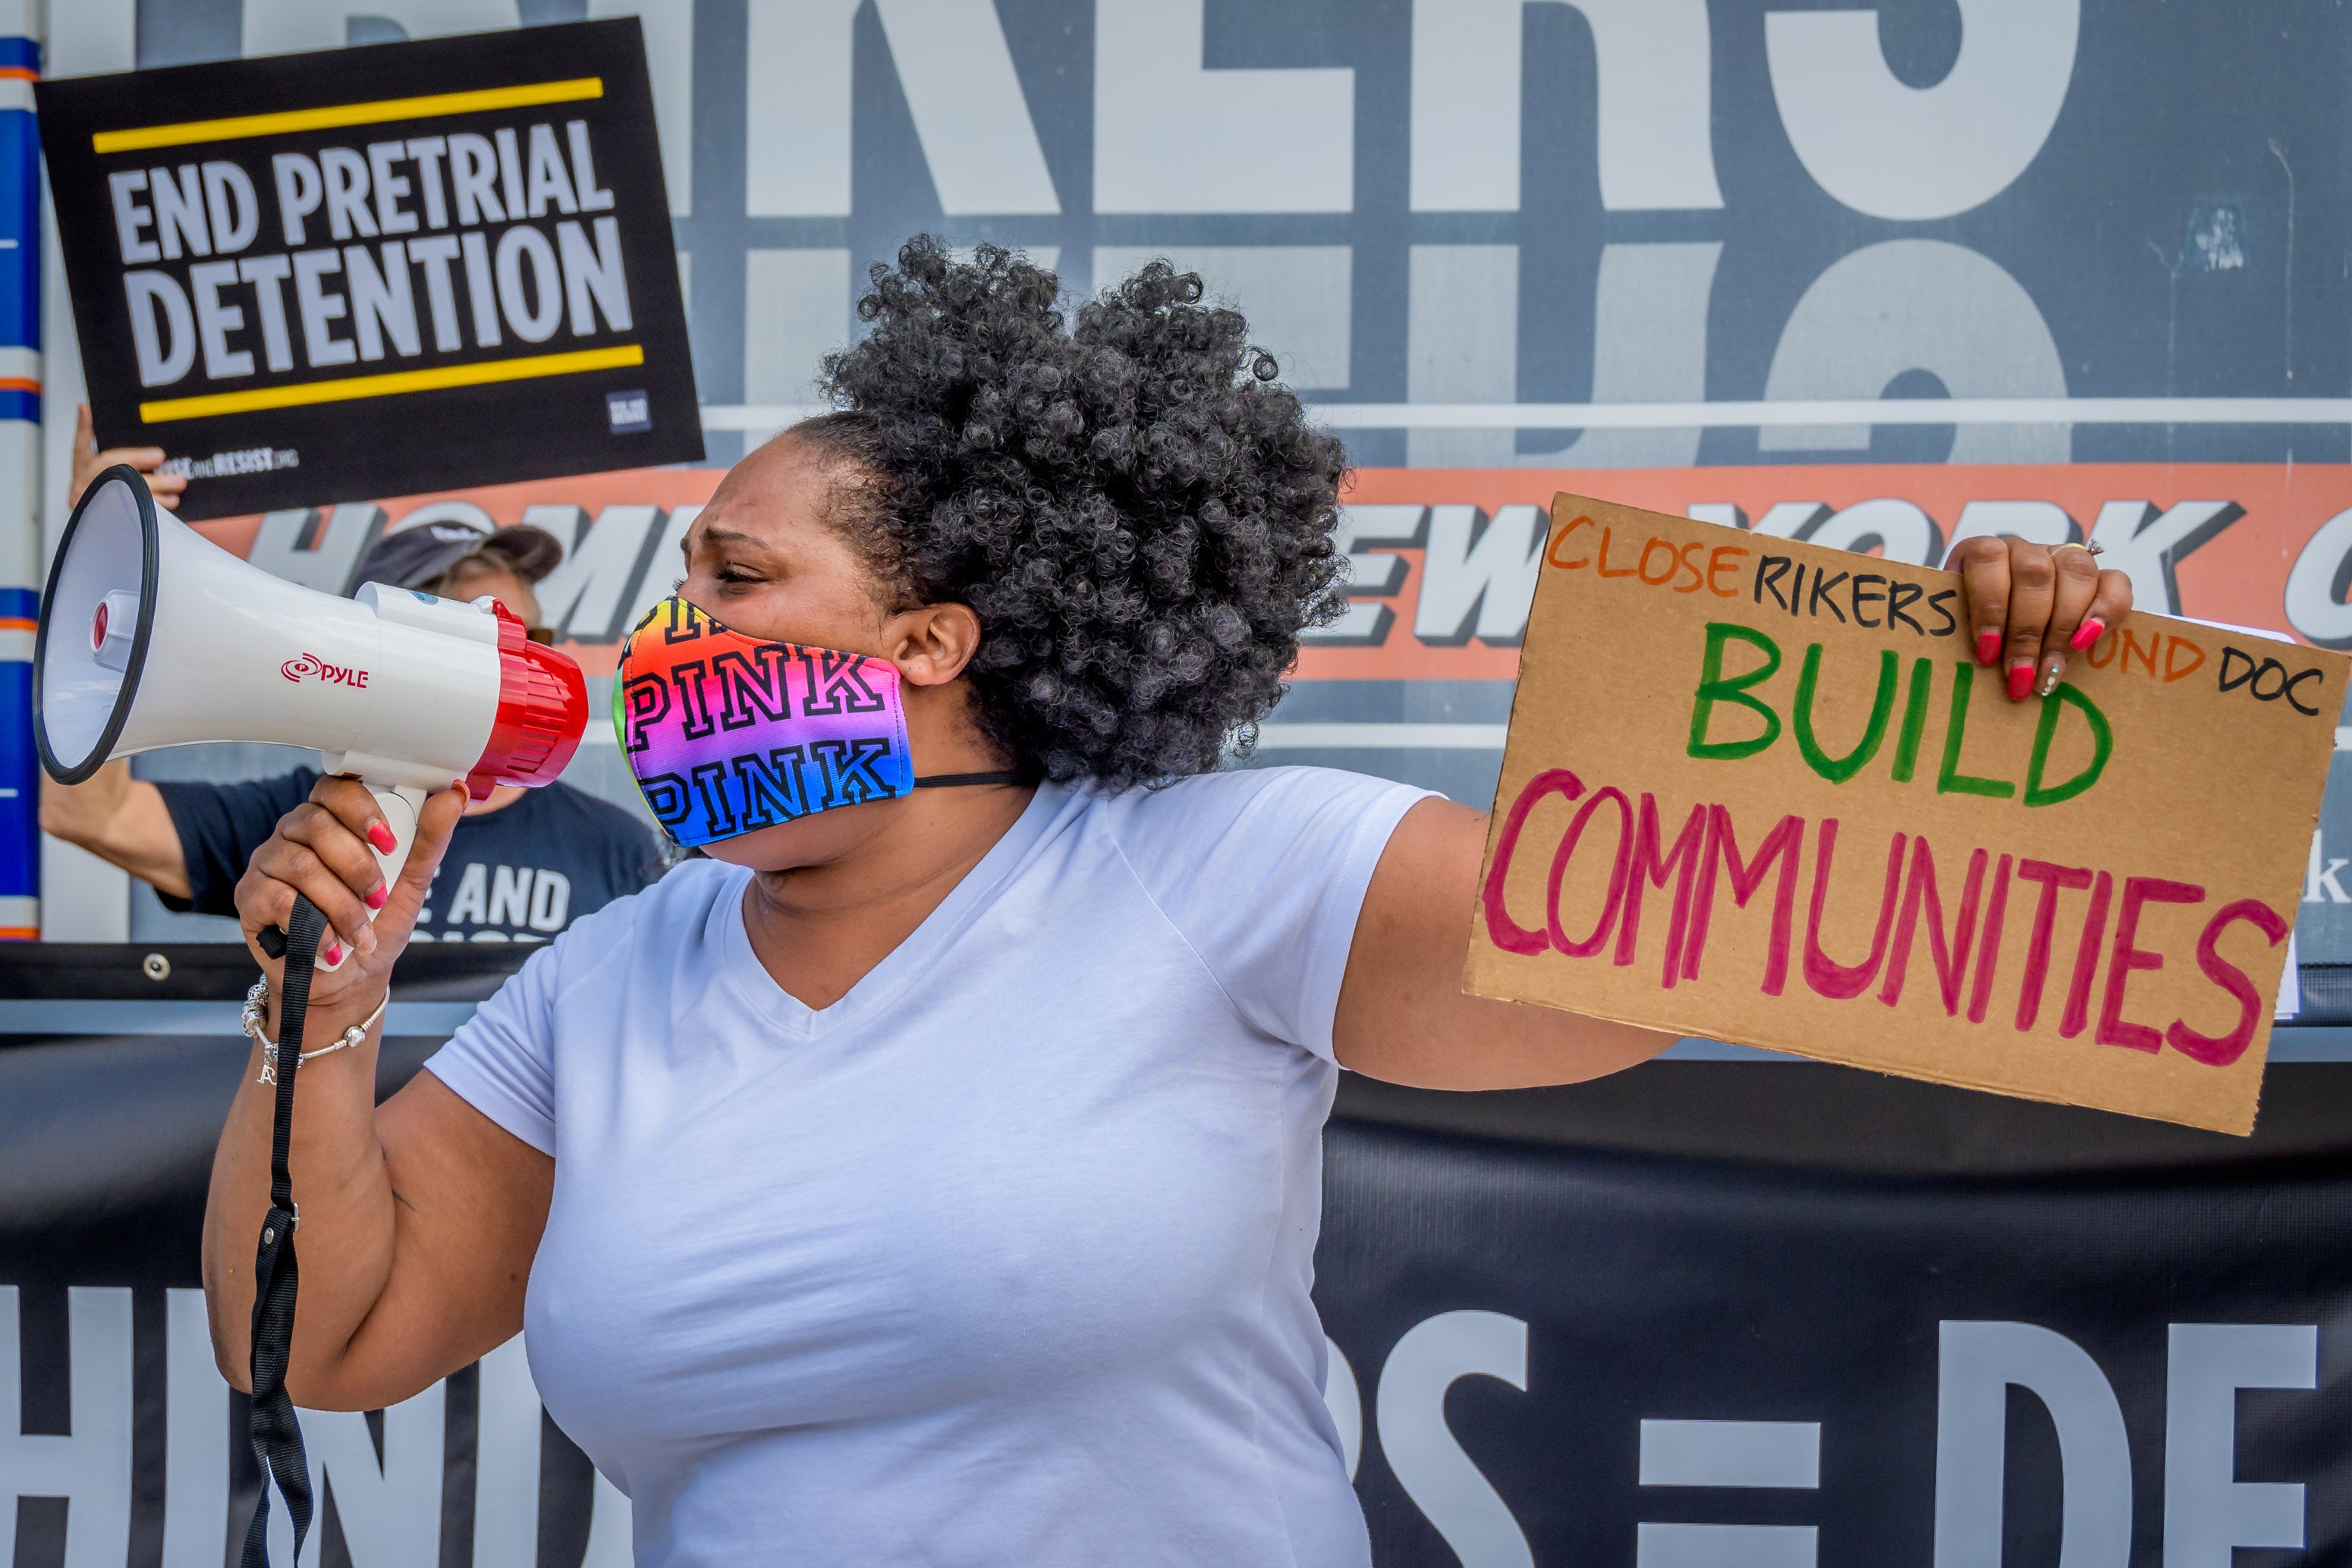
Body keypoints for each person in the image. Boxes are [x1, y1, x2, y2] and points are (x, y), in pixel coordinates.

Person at [200, 242, 2133, 1565]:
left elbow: (1667, 940)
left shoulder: (1216, 871)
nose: (662, 634)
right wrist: (325, 996)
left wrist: (1960, 701)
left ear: (931, 638)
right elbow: (324, 1338)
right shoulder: (604, 982)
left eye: (733, 576)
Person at [39, 408, 665, 941]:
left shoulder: (618, 851)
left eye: (527, 642)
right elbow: (93, 815)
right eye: (487, 646)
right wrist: (110, 557)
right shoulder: (299, 826)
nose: (516, 671)